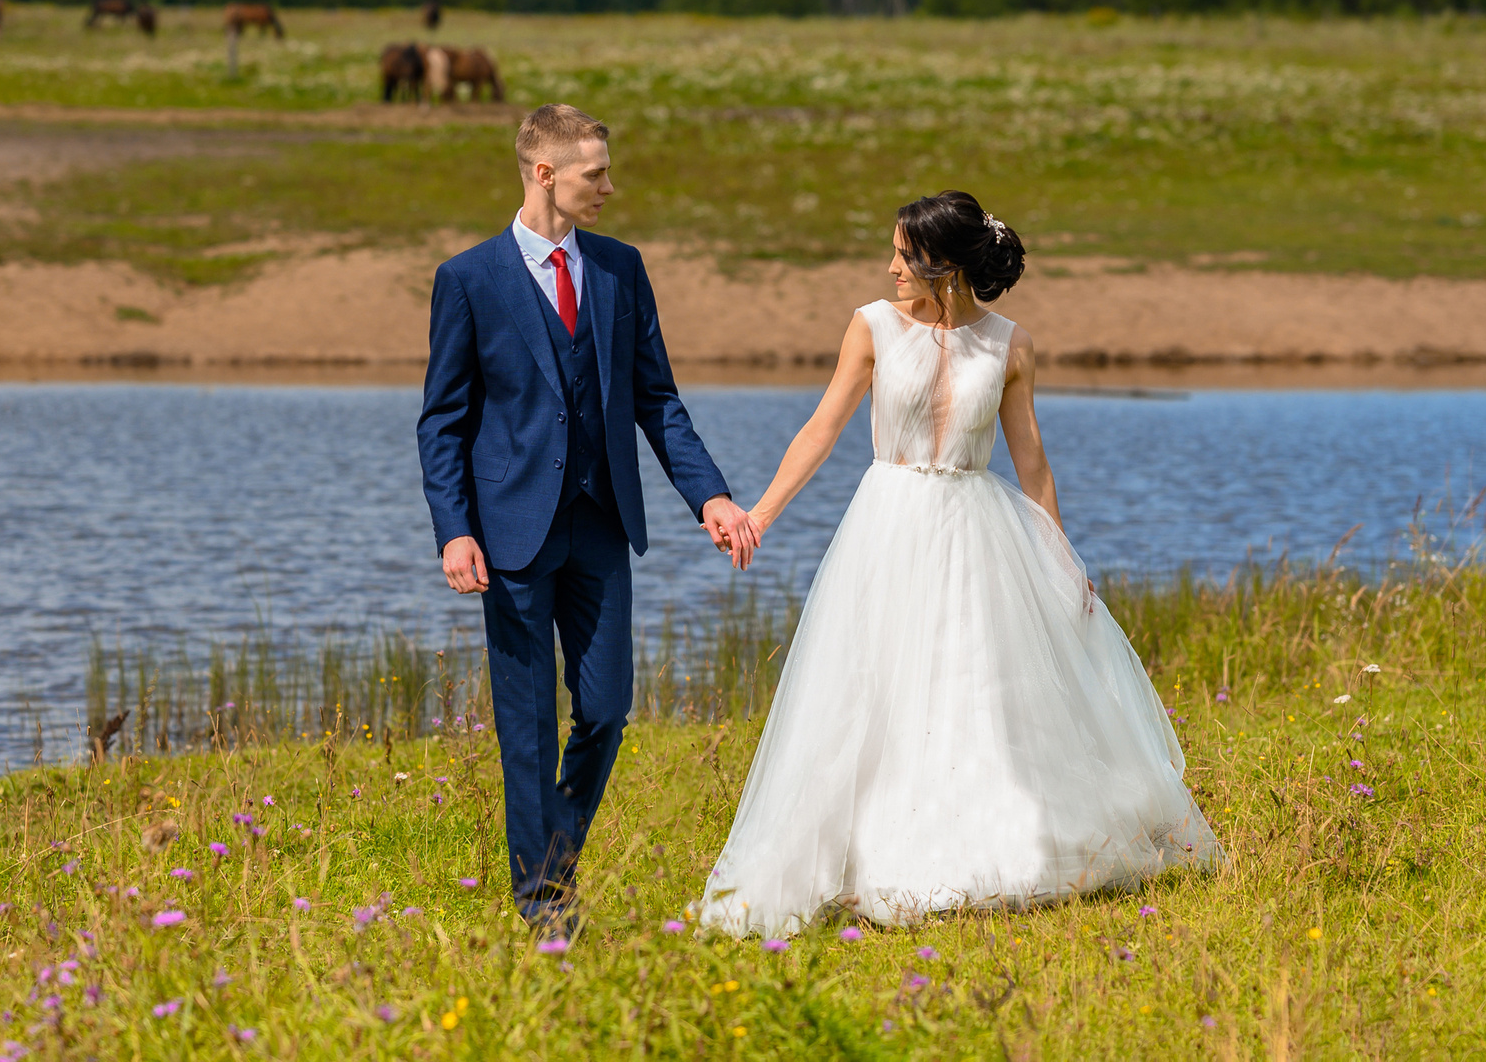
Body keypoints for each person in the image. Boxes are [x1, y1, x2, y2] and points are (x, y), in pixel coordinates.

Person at [696, 190, 1223, 936]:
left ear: (945, 266)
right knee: (875, 684)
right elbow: (821, 428)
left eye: (904, 255)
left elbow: (1032, 463)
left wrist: (1061, 559)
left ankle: (984, 842)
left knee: (972, 687)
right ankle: (862, 850)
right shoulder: (872, 325)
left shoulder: (1011, 345)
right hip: (888, 525)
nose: (891, 267)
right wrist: (760, 514)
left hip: (977, 531)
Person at [419, 103, 758, 930]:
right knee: (528, 724)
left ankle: (553, 854)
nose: (609, 186)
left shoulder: (619, 269)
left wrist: (709, 494)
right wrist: (455, 529)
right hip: (509, 535)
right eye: (594, 173)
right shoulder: (468, 279)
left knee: (606, 711)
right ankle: (544, 904)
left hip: (602, 526)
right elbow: (442, 420)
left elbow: (656, 400)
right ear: (545, 175)